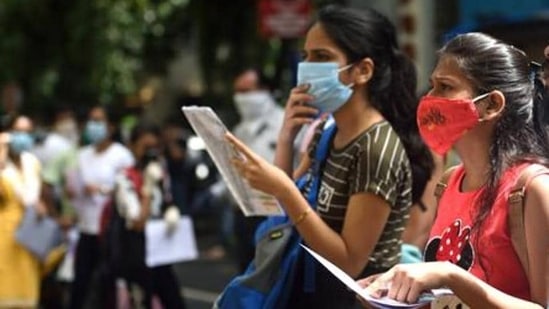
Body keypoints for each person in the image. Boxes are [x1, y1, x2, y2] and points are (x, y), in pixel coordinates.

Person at [225, 5, 433, 308]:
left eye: (321, 57)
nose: (307, 67)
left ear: (363, 70)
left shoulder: (375, 148)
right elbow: (284, 211)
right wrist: (286, 138)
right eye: (306, 56)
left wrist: (283, 188)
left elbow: (349, 263)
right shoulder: (328, 129)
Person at [358, 32, 549, 308]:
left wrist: (450, 276)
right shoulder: (449, 182)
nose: (429, 98)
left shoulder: (533, 189)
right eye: (431, 85)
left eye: (445, 87)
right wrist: (392, 291)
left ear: (491, 105)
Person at [104, 124, 186, 309]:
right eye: (145, 148)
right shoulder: (125, 178)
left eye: (154, 148)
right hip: (135, 255)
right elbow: (138, 222)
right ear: (132, 147)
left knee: (174, 300)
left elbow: (166, 201)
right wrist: (147, 187)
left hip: (159, 252)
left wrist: (171, 212)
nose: (150, 154)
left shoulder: (160, 173)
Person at [67, 106, 134, 309]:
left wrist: (103, 190)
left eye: (99, 121)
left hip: (109, 229)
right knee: (81, 282)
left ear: (110, 126)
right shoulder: (82, 155)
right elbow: (73, 189)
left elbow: (129, 189)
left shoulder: (121, 155)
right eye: (91, 121)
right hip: (86, 226)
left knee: (109, 282)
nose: (93, 126)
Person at [0, 115, 47, 308]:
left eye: (27, 132)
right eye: (18, 131)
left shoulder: (32, 163)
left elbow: (37, 195)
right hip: (4, 240)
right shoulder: (2, 166)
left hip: (29, 238)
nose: (22, 137)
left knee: (27, 296)